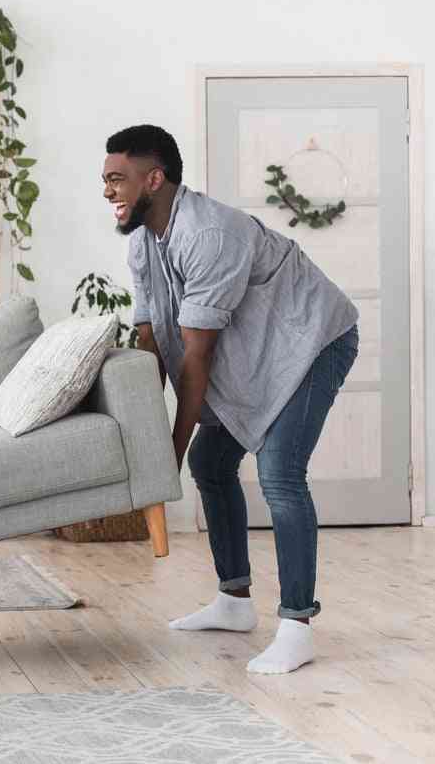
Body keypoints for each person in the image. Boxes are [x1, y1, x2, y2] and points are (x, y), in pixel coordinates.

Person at [105, 125, 358, 674]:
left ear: (155, 178)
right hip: (259, 349)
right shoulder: (143, 242)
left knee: (279, 474)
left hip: (312, 340)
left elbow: (196, 360)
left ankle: (296, 625)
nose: (108, 191)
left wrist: (166, 459)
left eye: (117, 179)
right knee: (212, 462)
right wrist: (150, 445)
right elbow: (151, 342)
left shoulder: (209, 234)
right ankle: (234, 600)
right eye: (105, 180)